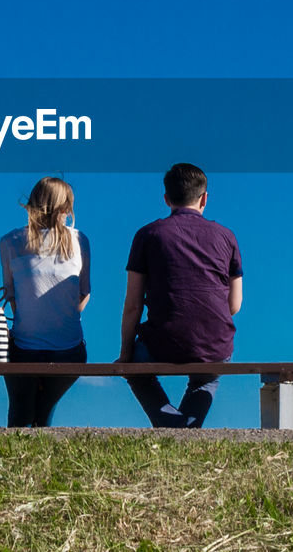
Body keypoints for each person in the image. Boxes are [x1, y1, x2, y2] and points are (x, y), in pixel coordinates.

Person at [117, 163, 243, 428]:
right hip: (214, 344)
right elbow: (234, 304)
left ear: (166, 199)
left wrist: (125, 353)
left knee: (136, 371)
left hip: (162, 340)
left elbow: (133, 305)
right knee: (206, 378)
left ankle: (172, 428)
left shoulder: (147, 235)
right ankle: (182, 431)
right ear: (204, 197)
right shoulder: (227, 237)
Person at [0, 176, 91, 427]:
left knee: (20, 410)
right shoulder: (80, 240)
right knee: (44, 407)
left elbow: (13, 297)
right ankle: (41, 440)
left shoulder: (10, 242)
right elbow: (84, 293)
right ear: (66, 208)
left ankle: (12, 458)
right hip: (70, 350)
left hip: (24, 349)